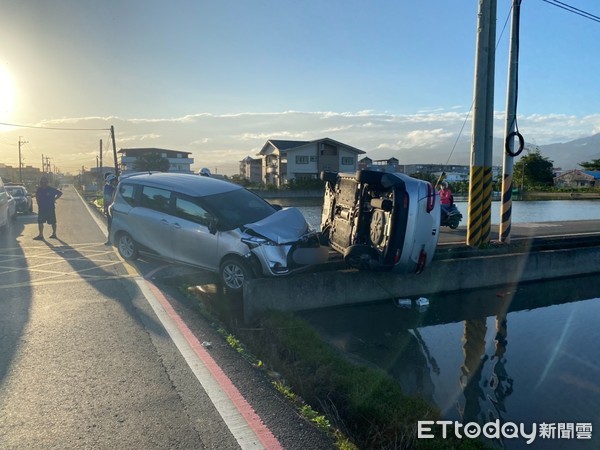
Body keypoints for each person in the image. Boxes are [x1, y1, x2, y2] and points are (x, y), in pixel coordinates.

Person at [33, 175, 63, 240]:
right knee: (40, 221)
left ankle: (54, 234)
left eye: (44, 182)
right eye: (42, 182)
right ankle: (40, 235)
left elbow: (60, 193)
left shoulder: (51, 189)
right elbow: (36, 196)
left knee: (53, 222)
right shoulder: (39, 189)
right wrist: (38, 203)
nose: (43, 184)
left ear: (47, 182)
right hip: (41, 208)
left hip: (50, 208)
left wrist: (55, 199)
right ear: (40, 183)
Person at [103, 174, 118, 245]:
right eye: (113, 182)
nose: (114, 183)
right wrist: (105, 209)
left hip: (115, 209)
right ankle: (110, 240)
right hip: (111, 209)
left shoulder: (115, 188)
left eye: (115, 181)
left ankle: (112, 240)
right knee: (110, 225)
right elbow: (106, 200)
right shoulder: (108, 188)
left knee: (113, 225)